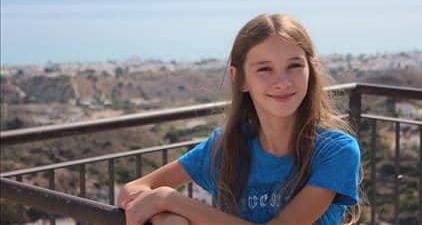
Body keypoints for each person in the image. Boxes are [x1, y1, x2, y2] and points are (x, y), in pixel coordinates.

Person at [118, 13, 362, 225]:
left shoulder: (336, 151)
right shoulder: (225, 147)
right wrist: (167, 219)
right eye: (265, 69)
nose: (283, 82)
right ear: (240, 78)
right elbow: (132, 190)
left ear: (312, 69)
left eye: (294, 66)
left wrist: (168, 200)